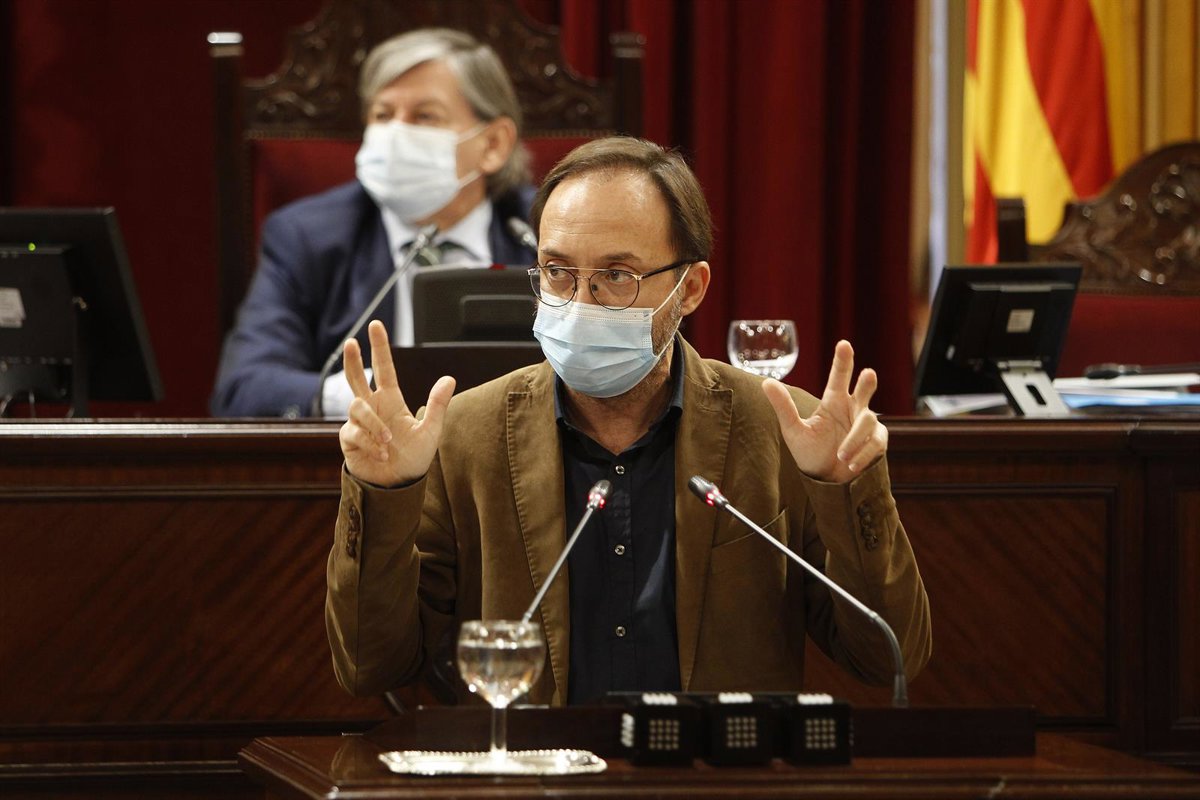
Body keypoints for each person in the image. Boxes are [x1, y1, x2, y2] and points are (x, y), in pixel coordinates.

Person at [326, 137, 931, 706]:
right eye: (557, 271)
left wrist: (845, 491)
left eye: (616, 275)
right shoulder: (464, 434)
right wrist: (384, 494)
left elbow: (887, 658)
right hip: (535, 770)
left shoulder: (783, 429)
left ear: (690, 288)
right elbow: (369, 666)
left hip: (714, 771)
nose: (579, 303)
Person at [211, 28, 538, 419]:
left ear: (493, 144)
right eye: (382, 115)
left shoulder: (546, 233)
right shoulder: (307, 237)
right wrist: (364, 397)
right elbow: (243, 388)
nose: (396, 133)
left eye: (424, 116)